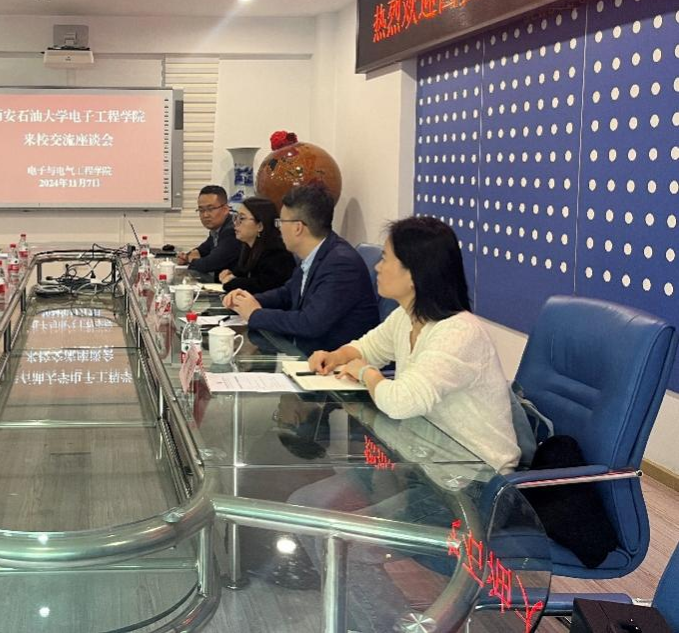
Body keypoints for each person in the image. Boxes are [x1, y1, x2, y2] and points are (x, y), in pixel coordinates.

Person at [307, 215, 520, 473]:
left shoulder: (460, 333)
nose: (377, 267)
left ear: (413, 274)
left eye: (385, 258)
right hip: (429, 466)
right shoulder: (405, 316)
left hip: (478, 479)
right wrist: (335, 357)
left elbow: (400, 402)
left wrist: (365, 372)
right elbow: (367, 348)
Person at [223, 183, 378, 353]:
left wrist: (255, 314)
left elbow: (310, 323)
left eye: (280, 222)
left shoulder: (341, 264)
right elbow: (287, 293)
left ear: (298, 227)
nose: (279, 229)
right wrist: (247, 301)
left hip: (333, 361)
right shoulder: (316, 254)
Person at [218, 196, 296, 294]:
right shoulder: (248, 248)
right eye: (235, 217)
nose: (235, 223)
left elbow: (264, 286)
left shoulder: (277, 254)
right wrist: (230, 274)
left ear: (260, 226)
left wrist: (233, 282)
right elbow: (242, 275)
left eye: (242, 218)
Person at [177, 185, 241, 275]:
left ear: (225, 209)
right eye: (201, 210)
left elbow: (209, 264)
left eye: (210, 209)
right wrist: (187, 256)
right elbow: (202, 250)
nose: (205, 215)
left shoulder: (233, 230)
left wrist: (189, 260)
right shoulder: (217, 230)